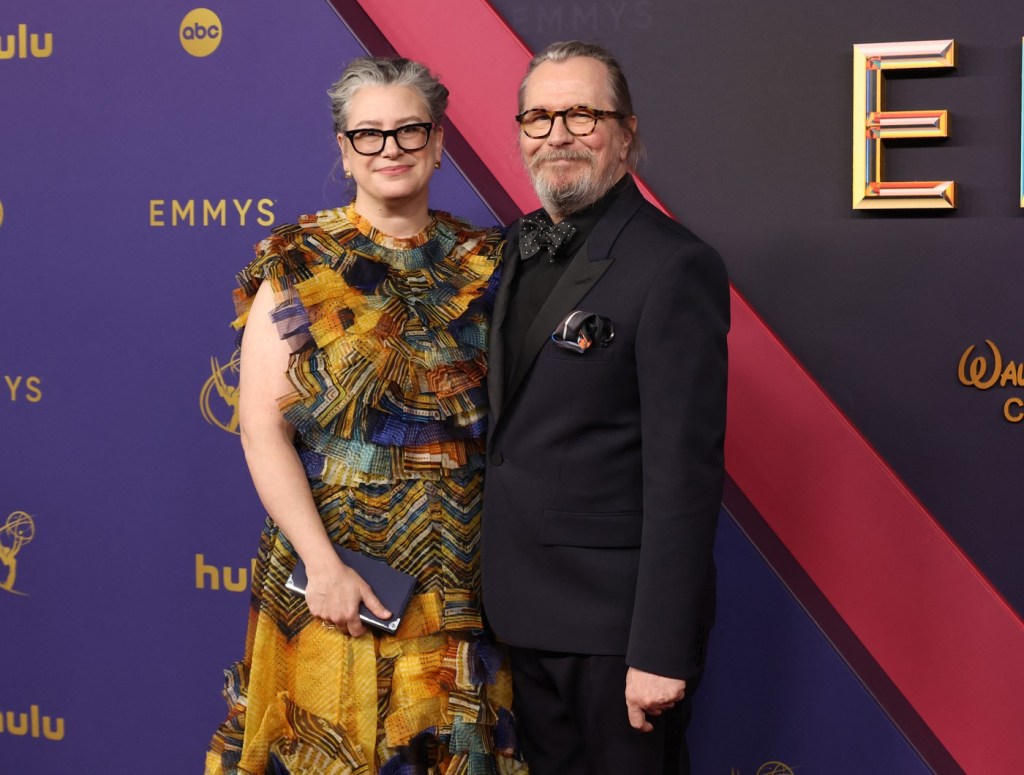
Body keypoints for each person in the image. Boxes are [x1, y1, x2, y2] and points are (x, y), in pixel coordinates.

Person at [206, 57, 526, 775]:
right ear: (345, 149)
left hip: (459, 572)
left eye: (409, 131)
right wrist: (322, 568)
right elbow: (262, 428)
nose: (391, 149)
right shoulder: (296, 261)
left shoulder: (489, 263)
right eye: (370, 134)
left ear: (439, 142)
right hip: (340, 573)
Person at [482, 41, 730, 774]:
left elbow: (685, 478)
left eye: (582, 114)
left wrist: (660, 650)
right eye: (539, 115)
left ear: (626, 133)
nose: (557, 132)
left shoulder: (674, 265)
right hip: (518, 621)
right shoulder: (508, 250)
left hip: (617, 635)